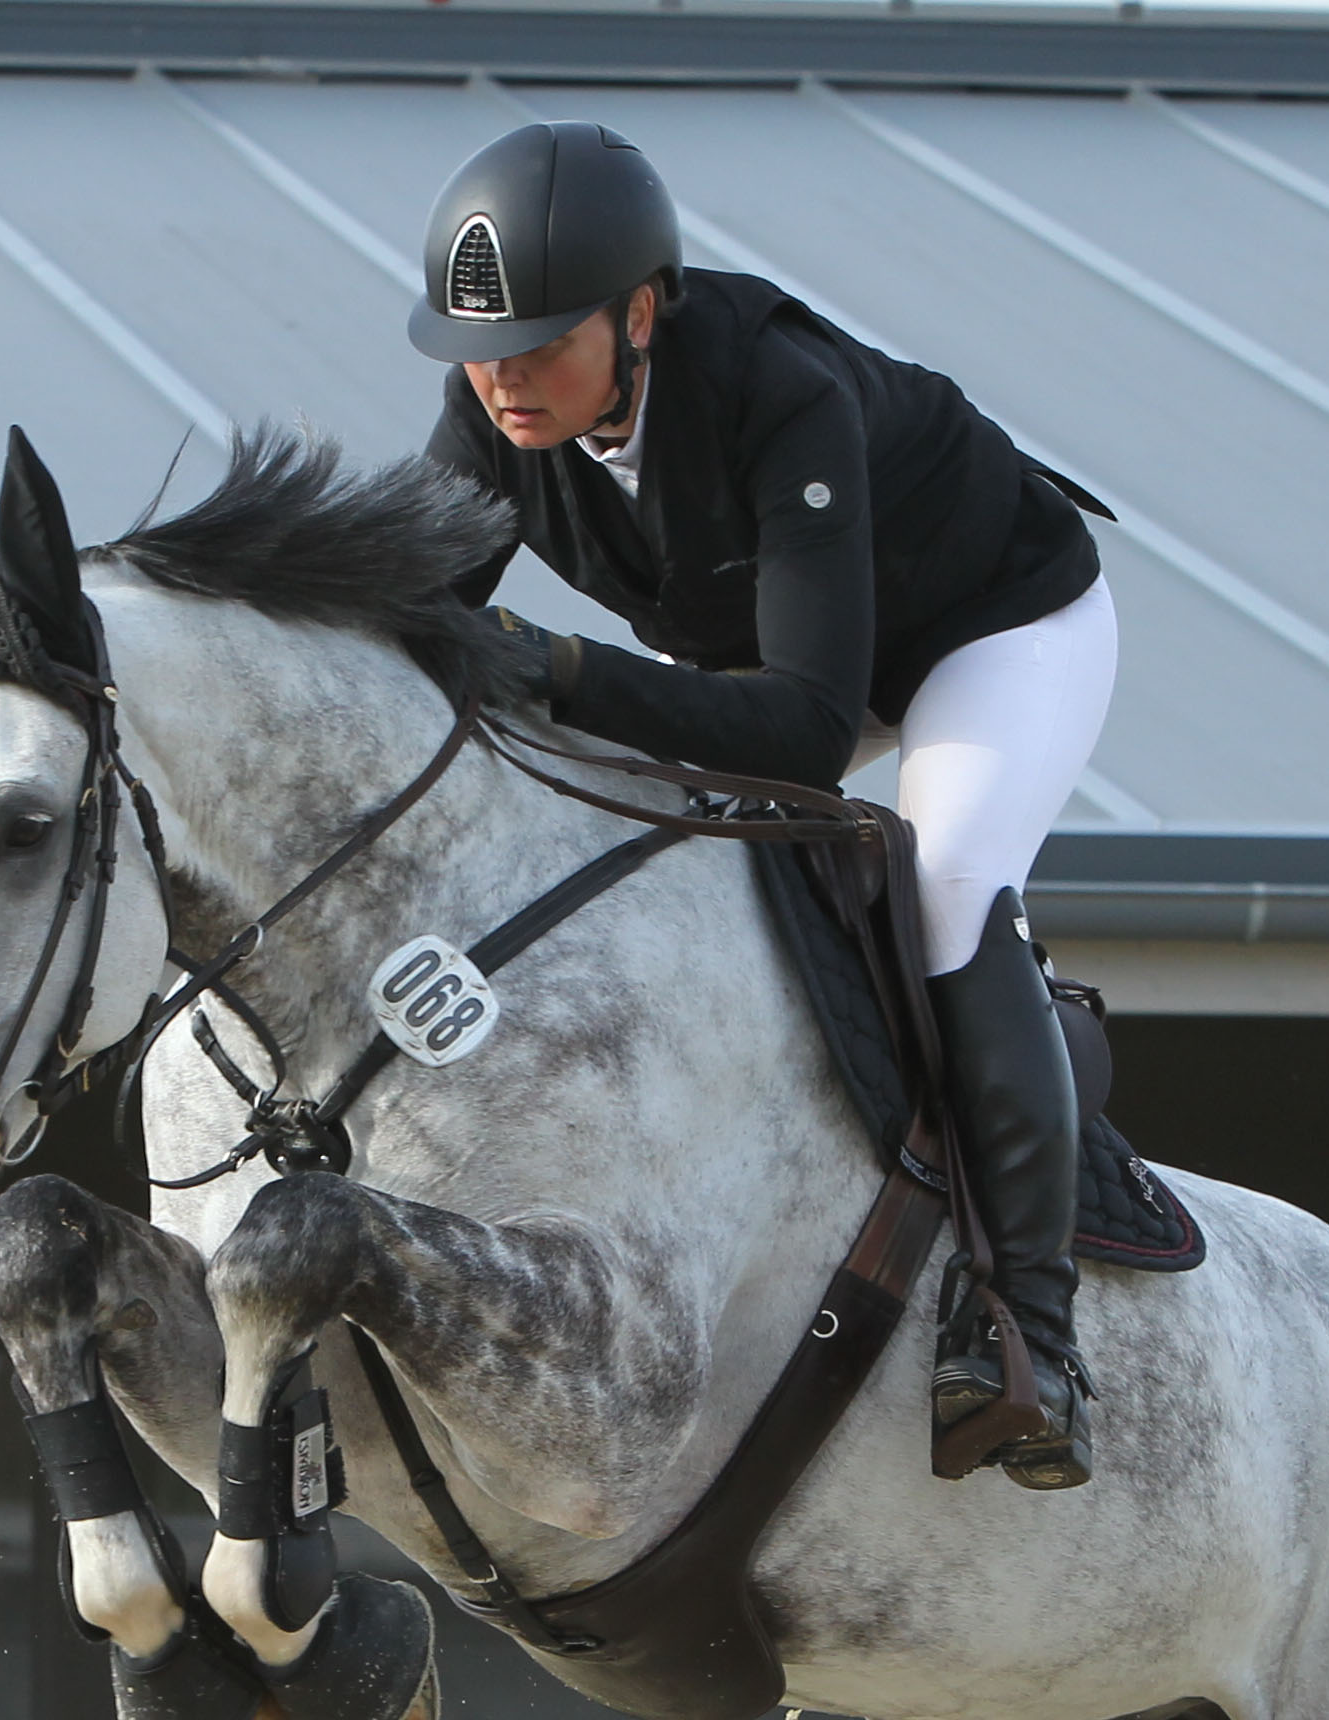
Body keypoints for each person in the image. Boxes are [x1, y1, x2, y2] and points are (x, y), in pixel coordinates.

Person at [409, 122, 1120, 1492]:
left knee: (943, 887)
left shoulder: (778, 391)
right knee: (643, 873)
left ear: (638, 312)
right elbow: (413, 612)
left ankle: (1029, 1336)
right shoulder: (490, 414)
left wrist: (556, 667)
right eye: (476, 346)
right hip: (793, 652)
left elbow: (799, 731)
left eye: (543, 341)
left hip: (991, 627)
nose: (501, 376)